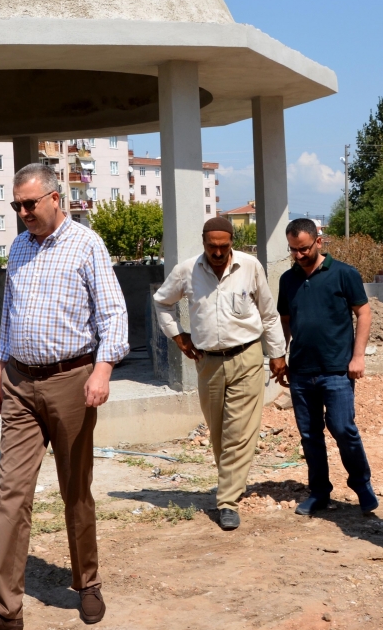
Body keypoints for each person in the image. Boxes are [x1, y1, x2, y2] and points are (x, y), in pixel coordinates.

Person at [0, 164, 128, 630]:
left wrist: (103, 370)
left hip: (72, 381)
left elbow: (113, 313)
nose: (23, 212)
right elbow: (9, 313)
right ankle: (7, 608)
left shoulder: (87, 245)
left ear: (57, 198)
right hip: (17, 381)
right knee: (12, 494)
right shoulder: (17, 247)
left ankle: (87, 582)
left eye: (30, 203)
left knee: (76, 490)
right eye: (16, 205)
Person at [153, 217, 286, 531]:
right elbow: (162, 302)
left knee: (240, 433)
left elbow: (268, 313)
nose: (217, 252)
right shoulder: (187, 271)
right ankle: (230, 482)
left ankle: (227, 501)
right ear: (203, 243)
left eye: (223, 246)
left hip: (248, 357)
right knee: (218, 431)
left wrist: (278, 353)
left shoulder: (250, 267)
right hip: (208, 361)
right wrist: (177, 336)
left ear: (232, 243)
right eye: (212, 246)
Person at [277, 218, 378, 516]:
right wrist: (280, 355)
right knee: (309, 434)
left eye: (304, 249)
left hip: (336, 370)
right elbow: (284, 319)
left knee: (343, 428)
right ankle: (320, 492)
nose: (299, 255)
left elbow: (364, 313)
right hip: (301, 371)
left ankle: (362, 486)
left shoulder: (344, 273)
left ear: (319, 242)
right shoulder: (288, 280)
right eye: (293, 250)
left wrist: (358, 357)